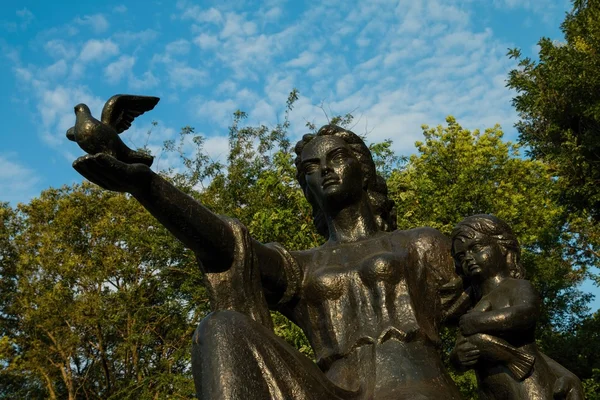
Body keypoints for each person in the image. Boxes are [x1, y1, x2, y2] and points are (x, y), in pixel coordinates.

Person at [73, 124, 464, 399]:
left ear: (364, 169)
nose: (325, 169)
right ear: (306, 186)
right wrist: (147, 186)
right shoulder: (303, 265)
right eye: (311, 167)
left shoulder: (421, 242)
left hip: (416, 390)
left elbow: (493, 308)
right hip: (328, 391)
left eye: (337, 157)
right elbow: (227, 245)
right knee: (223, 326)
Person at [450, 214, 583, 400]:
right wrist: (458, 357)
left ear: (502, 247)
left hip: (527, 382)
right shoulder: (473, 305)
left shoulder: (517, 287)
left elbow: (525, 313)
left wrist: (477, 321)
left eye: (476, 248)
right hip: (489, 389)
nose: (469, 258)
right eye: (461, 255)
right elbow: (459, 353)